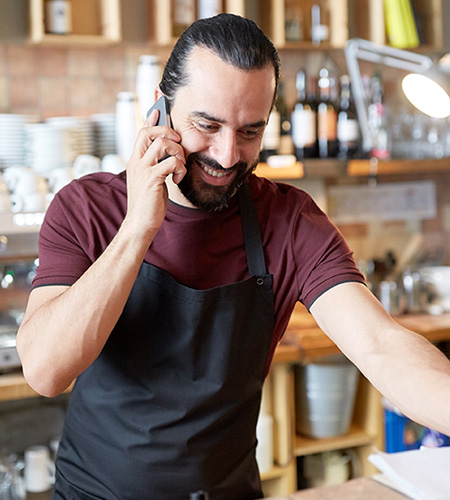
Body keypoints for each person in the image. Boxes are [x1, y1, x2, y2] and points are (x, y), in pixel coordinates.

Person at [17, 13, 450, 500]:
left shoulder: (287, 220)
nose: (227, 155)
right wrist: (138, 227)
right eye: (207, 125)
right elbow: (45, 371)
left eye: (250, 132)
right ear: (158, 112)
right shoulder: (86, 208)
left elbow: (380, 344)